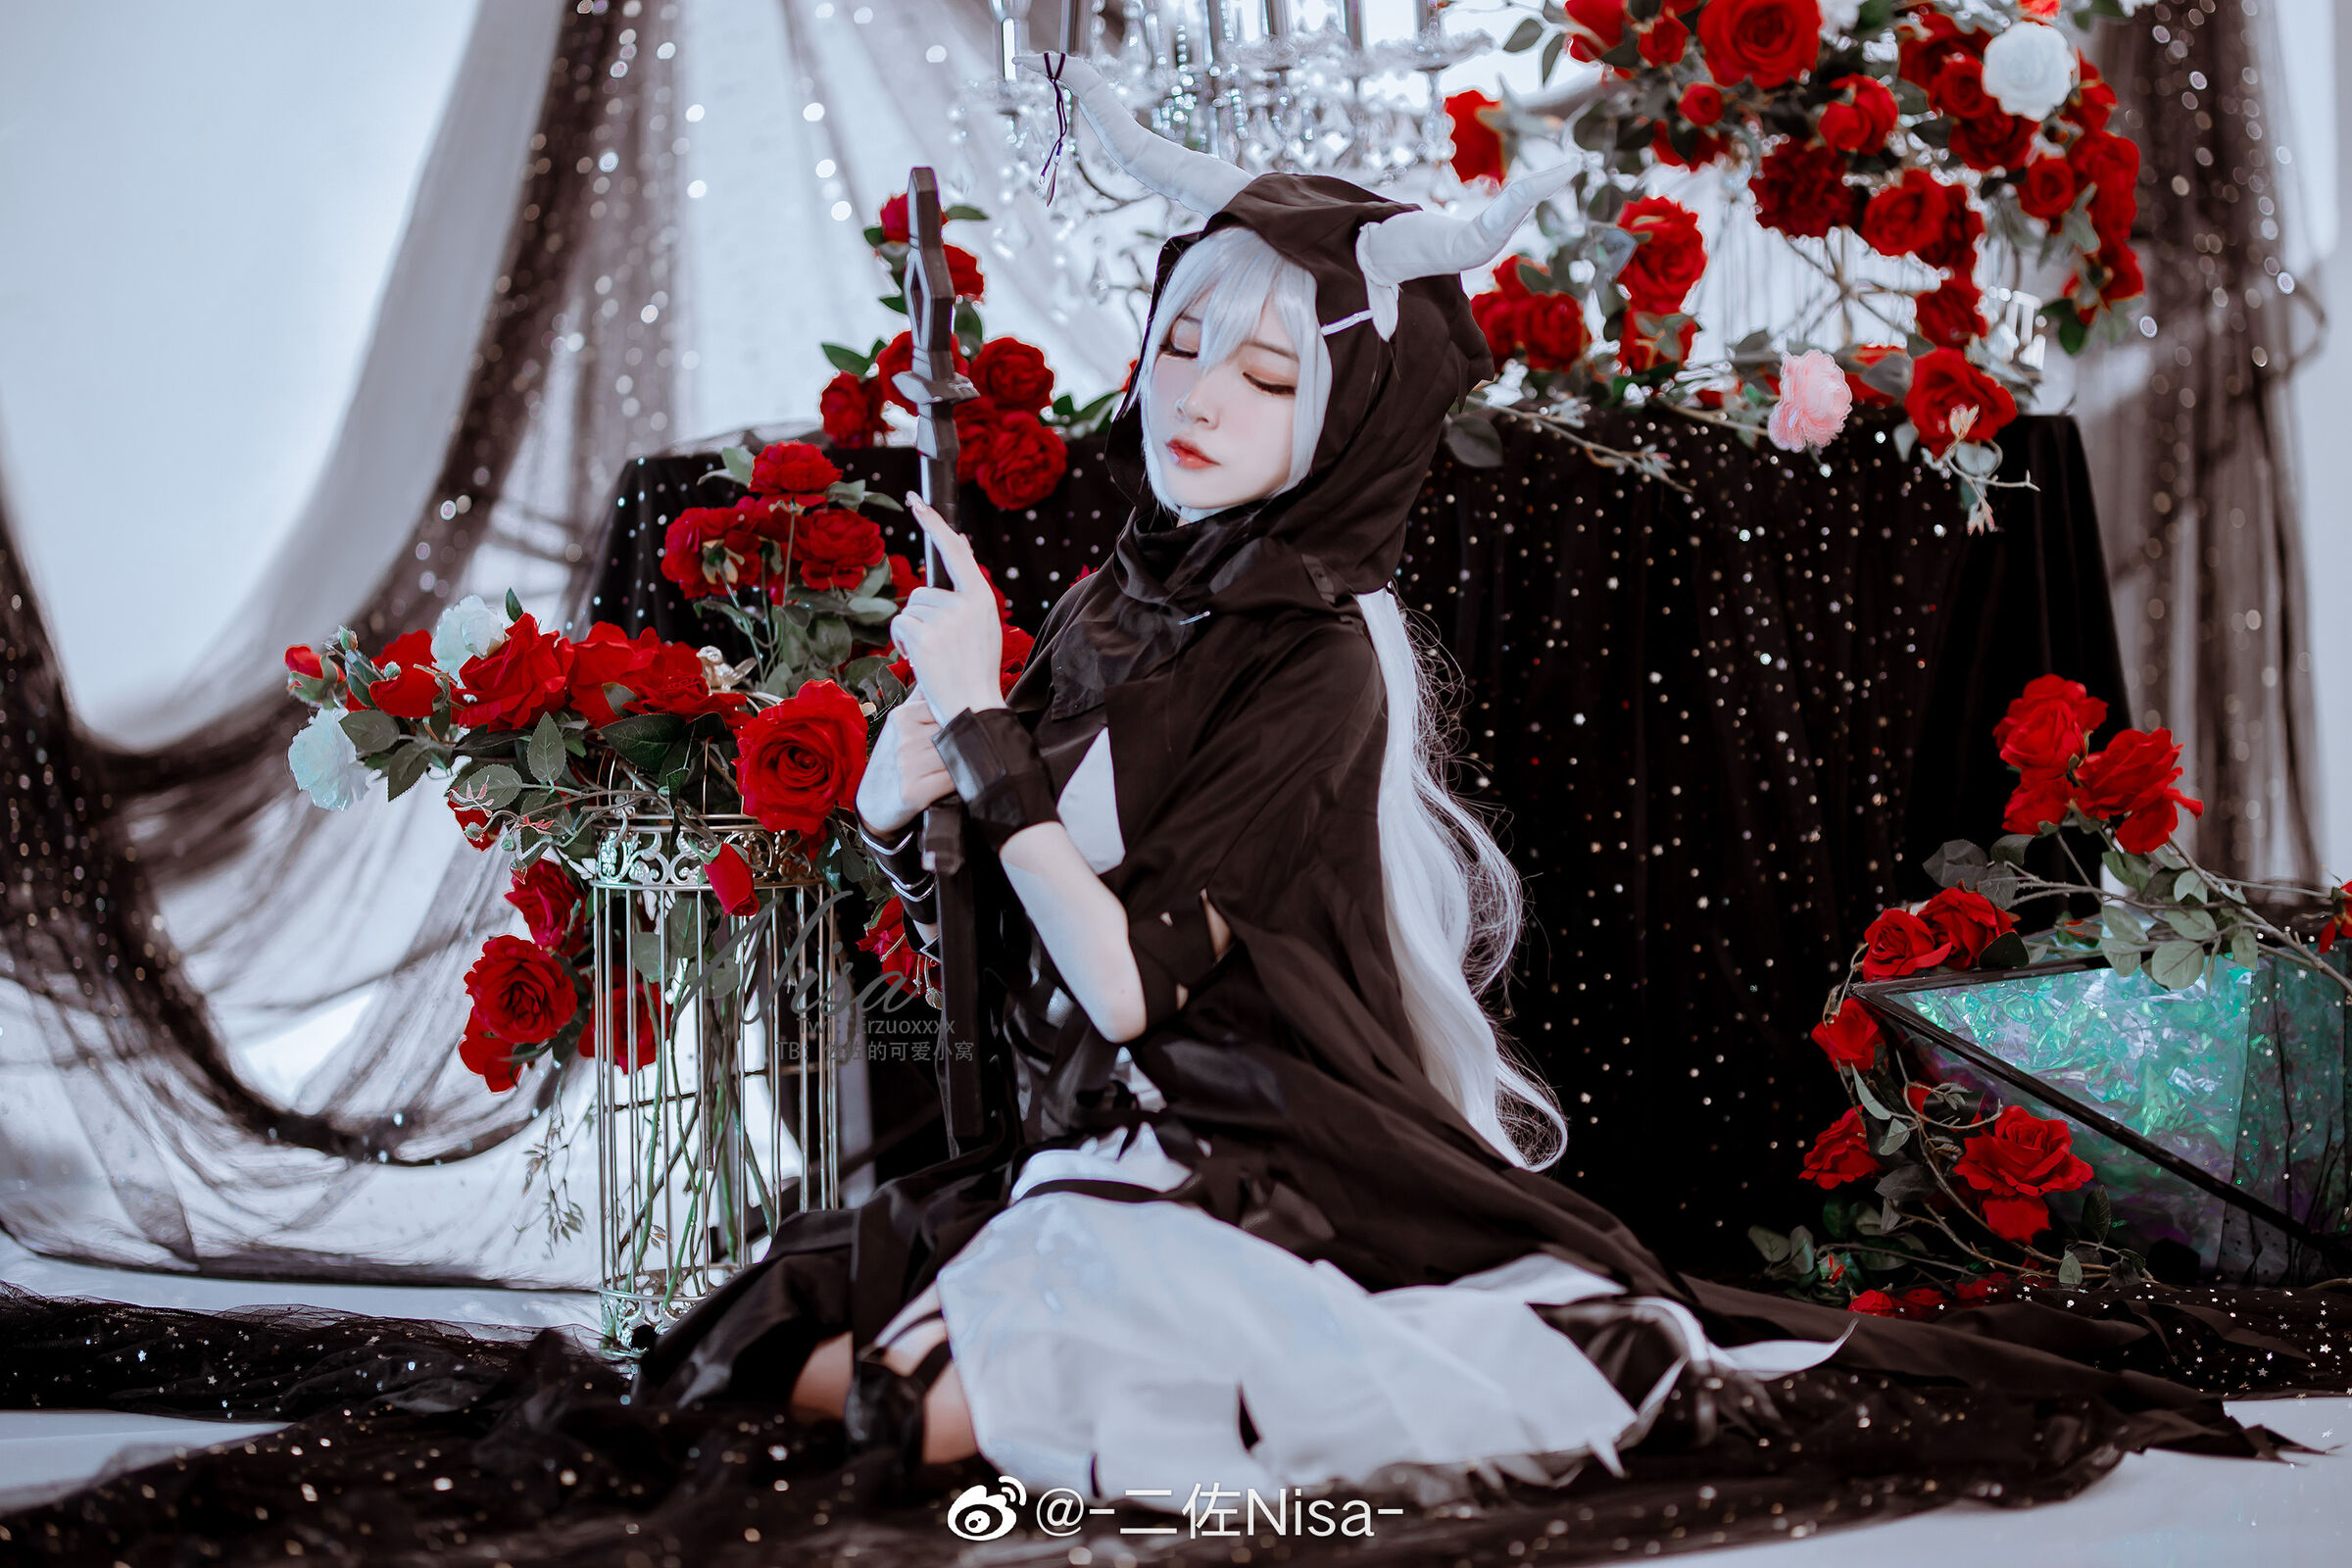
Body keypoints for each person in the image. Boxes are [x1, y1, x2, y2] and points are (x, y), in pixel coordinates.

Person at [629, 52, 2309, 1516]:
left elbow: (1128, 984)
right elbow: (1008, 940)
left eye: (1269, 377)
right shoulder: (1110, 613)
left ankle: (1215, 1381)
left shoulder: (1316, 662)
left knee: (923, 1414)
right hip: (1087, 1136)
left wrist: (989, 742)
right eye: (1182, 344)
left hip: (1243, 1149)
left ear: (1354, 415)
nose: (1196, 398)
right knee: (759, 1357)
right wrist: (903, 804)